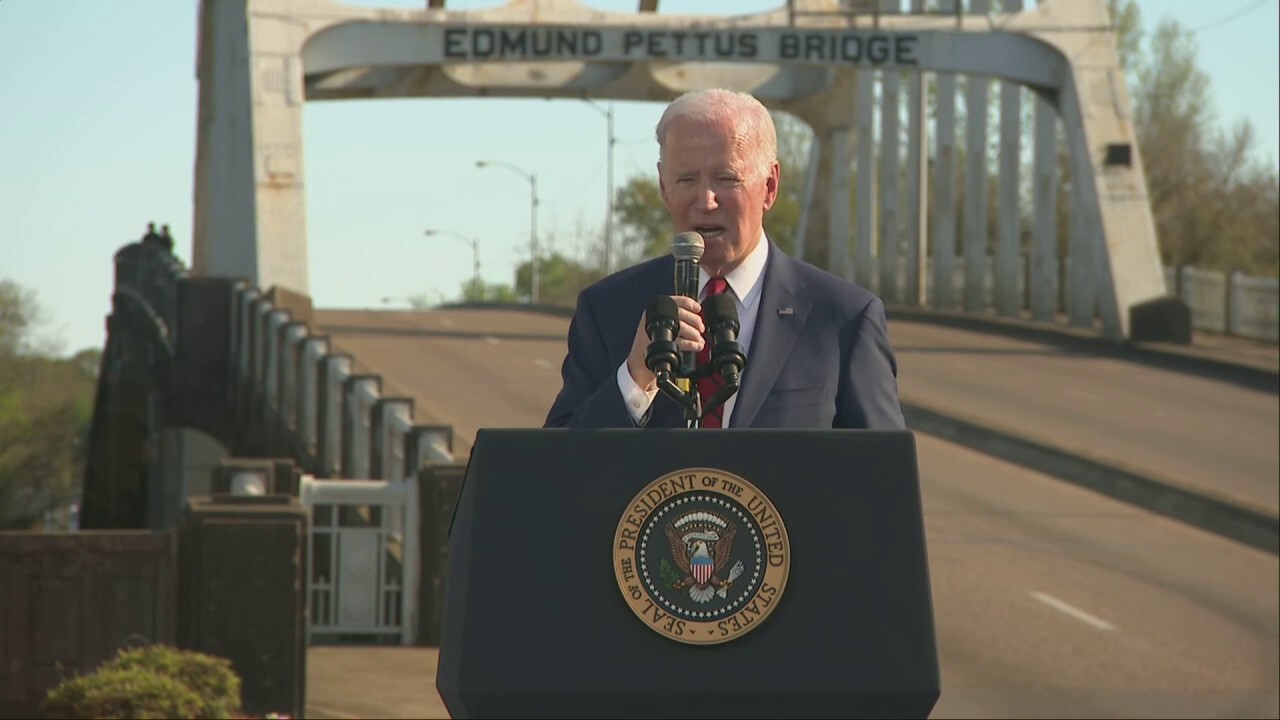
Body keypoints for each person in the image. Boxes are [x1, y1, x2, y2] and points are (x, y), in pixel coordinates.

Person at [543, 88, 905, 430]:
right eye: (686, 178)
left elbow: (884, 480)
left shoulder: (844, 319)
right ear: (663, 186)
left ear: (770, 186)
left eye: (726, 178)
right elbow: (558, 467)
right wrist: (636, 378)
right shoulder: (607, 309)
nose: (706, 200)